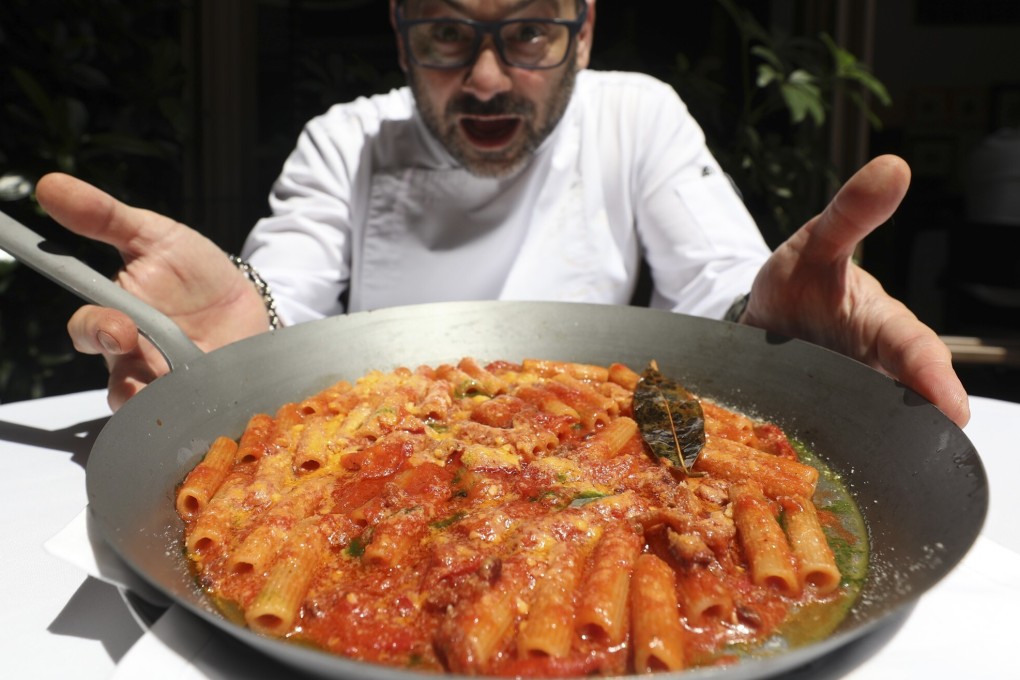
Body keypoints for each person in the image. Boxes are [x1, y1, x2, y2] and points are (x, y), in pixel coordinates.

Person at [34, 0, 969, 426]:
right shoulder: (345, 139)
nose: (485, 78)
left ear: (584, 32)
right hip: (389, 443)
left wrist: (768, 326)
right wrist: (246, 327)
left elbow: (721, 279)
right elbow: (283, 293)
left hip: (595, 444)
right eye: (447, 34)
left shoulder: (635, 113)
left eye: (527, 33)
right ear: (400, 33)